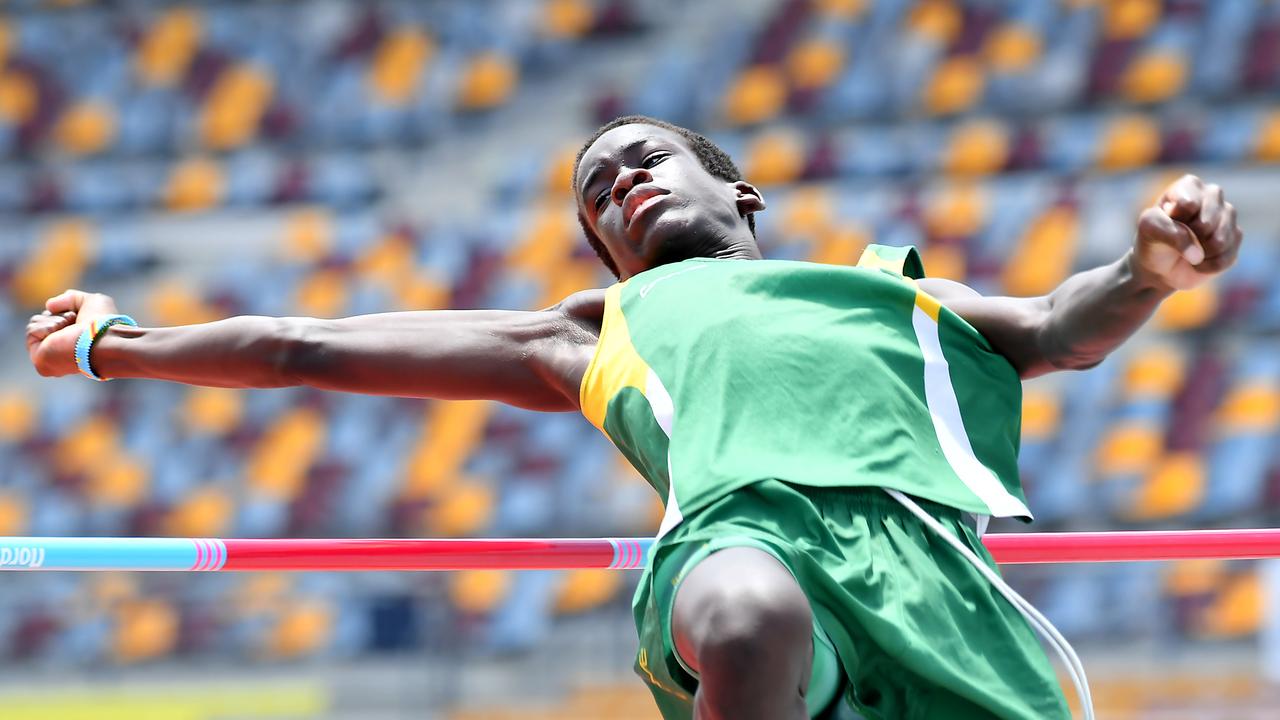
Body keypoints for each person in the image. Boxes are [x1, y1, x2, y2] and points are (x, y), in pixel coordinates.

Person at [26, 115, 1242, 720]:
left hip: (936, 584)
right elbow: (302, 347)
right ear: (602, 251)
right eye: (596, 194)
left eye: (642, 160)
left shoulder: (896, 288)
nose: (620, 184)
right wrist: (112, 346)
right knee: (745, 606)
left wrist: (1148, 274)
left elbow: (1060, 328)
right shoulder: (590, 331)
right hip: (743, 555)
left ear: (739, 188)